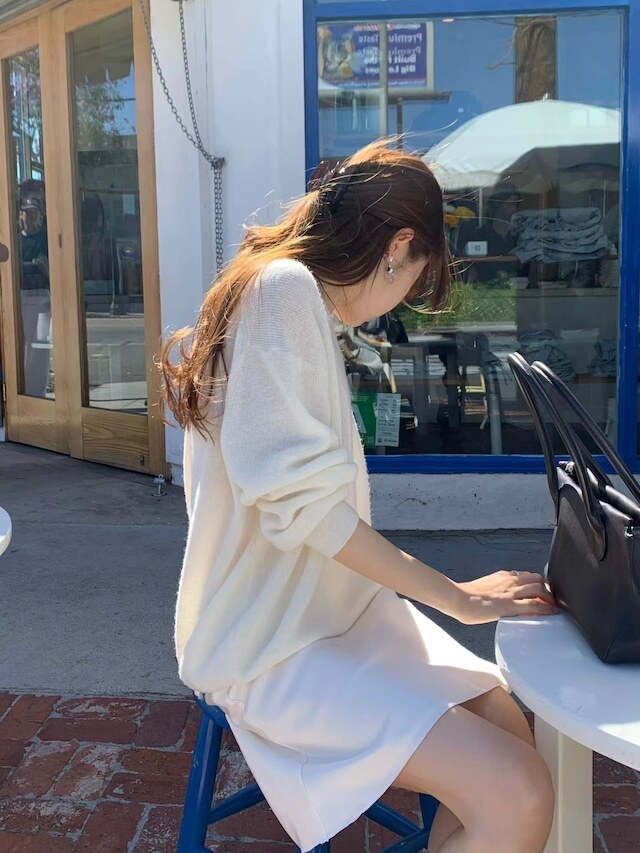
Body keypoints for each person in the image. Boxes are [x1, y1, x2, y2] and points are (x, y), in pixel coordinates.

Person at [162, 142, 557, 853]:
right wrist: (456, 597)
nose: (400, 301)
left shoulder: (278, 289)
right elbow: (306, 510)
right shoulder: (282, 290)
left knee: (509, 731)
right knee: (519, 789)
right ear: (398, 247)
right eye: (416, 279)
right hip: (269, 644)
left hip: (332, 614)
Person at [18, 195, 51, 397]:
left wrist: (43, 266)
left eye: (34, 213)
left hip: (42, 297)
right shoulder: (15, 240)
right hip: (20, 296)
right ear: (21, 215)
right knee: (22, 346)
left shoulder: (46, 239)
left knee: (40, 345)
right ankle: (22, 391)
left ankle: (37, 392)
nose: (30, 217)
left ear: (40, 215)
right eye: (27, 213)